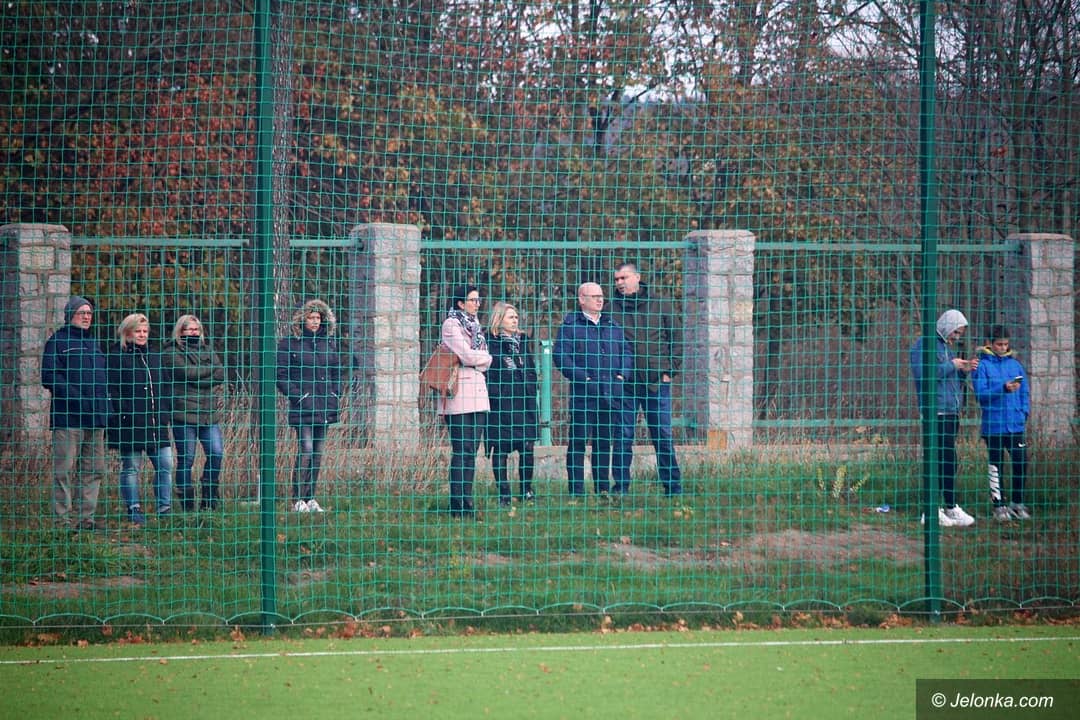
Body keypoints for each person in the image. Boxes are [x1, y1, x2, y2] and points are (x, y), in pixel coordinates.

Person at [607, 261, 684, 496]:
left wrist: (669, 371)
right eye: (616, 279)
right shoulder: (611, 310)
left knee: (662, 435)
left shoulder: (661, 304)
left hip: (656, 383)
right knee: (623, 437)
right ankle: (621, 489)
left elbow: (677, 339)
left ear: (637, 277)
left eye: (624, 278)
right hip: (625, 385)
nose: (620, 283)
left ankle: (673, 488)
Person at [554, 282, 633, 499]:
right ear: (582, 299)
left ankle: (602, 489)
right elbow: (561, 357)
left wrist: (621, 376)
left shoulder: (611, 324)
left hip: (610, 393)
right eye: (594, 296)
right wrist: (585, 379)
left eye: (601, 296)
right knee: (578, 442)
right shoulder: (570, 326)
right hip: (584, 395)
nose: (600, 300)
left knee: (603, 443)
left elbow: (626, 351)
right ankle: (577, 491)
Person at [41, 296, 111, 531]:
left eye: (89, 313)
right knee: (64, 470)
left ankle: (85, 520)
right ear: (70, 314)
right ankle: (62, 522)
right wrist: (78, 399)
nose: (86, 317)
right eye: (82, 313)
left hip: (95, 419)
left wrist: (106, 407)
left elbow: (102, 380)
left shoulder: (93, 343)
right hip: (68, 419)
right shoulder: (57, 341)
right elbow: (49, 377)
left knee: (94, 470)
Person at [909, 309, 979, 528]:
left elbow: (950, 380)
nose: (956, 337)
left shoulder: (947, 349)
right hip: (935, 412)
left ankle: (950, 506)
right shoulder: (924, 345)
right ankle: (931, 509)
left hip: (951, 411)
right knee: (937, 459)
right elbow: (924, 375)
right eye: (955, 332)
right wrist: (952, 365)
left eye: (959, 334)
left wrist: (963, 370)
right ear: (946, 326)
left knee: (949, 459)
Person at [106, 313, 174, 526]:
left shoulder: (154, 356)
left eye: (145, 331)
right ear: (127, 332)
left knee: (165, 464)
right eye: (138, 331)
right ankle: (133, 508)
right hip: (130, 423)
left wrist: (164, 413)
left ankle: (165, 508)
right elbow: (112, 390)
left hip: (156, 423)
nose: (142, 335)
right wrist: (124, 413)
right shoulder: (116, 357)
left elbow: (165, 386)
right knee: (131, 467)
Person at [276, 299, 343, 513]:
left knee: (318, 452)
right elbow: (281, 375)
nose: (315, 322)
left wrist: (335, 393)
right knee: (306, 449)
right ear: (302, 319)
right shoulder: (290, 343)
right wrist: (300, 397)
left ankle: (310, 497)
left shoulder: (329, 343)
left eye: (318, 318)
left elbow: (336, 372)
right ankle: (297, 499)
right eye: (311, 318)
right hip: (303, 406)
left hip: (325, 405)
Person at [436, 285, 492, 518]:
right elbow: (467, 356)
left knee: (472, 451)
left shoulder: (475, 325)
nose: (477, 304)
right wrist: (484, 358)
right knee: (462, 449)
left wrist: (481, 359)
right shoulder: (451, 325)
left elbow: (479, 358)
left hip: (477, 394)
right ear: (460, 303)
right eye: (472, 300)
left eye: (478, 300)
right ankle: (457, 505)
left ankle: (467, 502)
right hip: (458, 395)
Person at [162, 314, 227, 511]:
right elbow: (185, 373)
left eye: (196, 329)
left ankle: (209, 498)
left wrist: (198, 377)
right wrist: (207, 371)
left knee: (216, 453)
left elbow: (220, 373)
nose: (193, 332)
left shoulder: (208, 349)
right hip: (184, 414)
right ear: (180, 330)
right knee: (187, 459)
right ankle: (187, 504)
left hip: (208, 414)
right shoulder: (171, 352)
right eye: (189, 329)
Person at [971, 326, 1031, 521]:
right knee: (996, 465)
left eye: (1006, 344)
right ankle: (999, 506)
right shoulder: (982, 366)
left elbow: (1024, 392)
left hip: (1015, 423)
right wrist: (1002, 388)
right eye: (999, 344)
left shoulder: (1015, 365)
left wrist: (1024, 412)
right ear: (989, 343)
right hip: (994, 425)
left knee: (1021, 461)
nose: (1003, 348)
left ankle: (1017, 503)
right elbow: (981, 395)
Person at [486, 302, 539, 505]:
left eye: (516, 317)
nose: (515, 320)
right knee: (500, 447)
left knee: (527, 446)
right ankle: (504, 493)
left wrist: (531, 385)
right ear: (499, 319)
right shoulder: (490, 341)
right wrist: (497, 393)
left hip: (524, 401)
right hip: (502, 403)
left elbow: (530, 366)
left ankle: (526, 489)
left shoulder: (522, 341)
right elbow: (488, 371)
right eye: (510, 317)